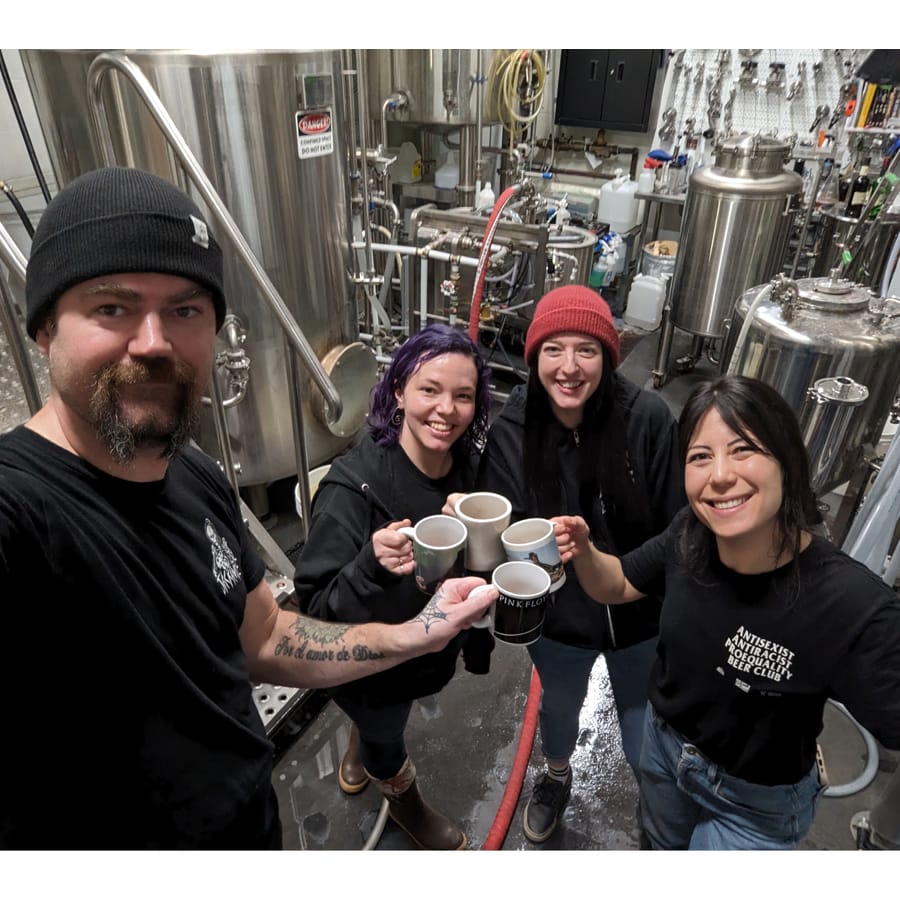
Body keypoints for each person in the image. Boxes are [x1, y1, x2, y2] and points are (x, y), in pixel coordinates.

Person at [0, 166, 496, 850]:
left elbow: (265, 639)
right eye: (112, 307)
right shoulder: (20, 513)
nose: (154, 341)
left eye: (185, 309)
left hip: (253, 826)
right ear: (44, 329)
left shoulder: (196, 474)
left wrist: (419, 633)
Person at [555, 374, 900, 850]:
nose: (719, 475)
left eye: (743, 450)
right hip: (664, 752)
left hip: (756, 805)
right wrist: (584, 550)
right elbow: (616, 583)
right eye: (700, 456)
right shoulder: (688, 536)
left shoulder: (852, 605)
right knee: (659, 846)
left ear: (787, 461)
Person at [475, 284, 685, 843]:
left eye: (586, 350)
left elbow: (678, 523)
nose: (568, 367)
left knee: (645, 739)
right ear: (534, 356)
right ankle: (556, 774)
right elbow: (500, 529)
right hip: (560, 624)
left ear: (608, 357)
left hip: (640, 616)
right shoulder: (513, 429)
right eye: (554, 349)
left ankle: (659, 813)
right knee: (560, 710)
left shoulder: (647, 418)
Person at [293, 323, 494, 850]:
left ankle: (361, 737)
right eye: (429, 389)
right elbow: (315, 613)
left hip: (426, 653)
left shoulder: (470, 471)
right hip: (370, 668)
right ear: (399, 390)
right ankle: (406, 804)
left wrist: (484, 536)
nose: (446, 410)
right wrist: (370, 565)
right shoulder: (352, 488)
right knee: (385, 734)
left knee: (381, 719)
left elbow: (482, 568)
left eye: (463, 395)